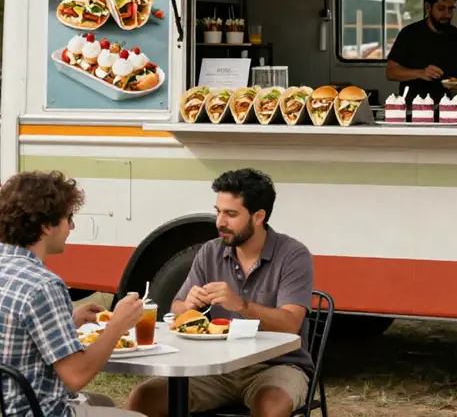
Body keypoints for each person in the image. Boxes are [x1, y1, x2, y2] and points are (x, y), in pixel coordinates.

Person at [128, 169, 313, 417]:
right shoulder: (210, 252)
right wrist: (188, 306)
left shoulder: (293, 255)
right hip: (216, 366)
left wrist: (241, 305)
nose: (220, 222)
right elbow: (177, 309)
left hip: (276, 365)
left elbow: (290, 324)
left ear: (258, 217)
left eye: (231, 214)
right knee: (144, 398)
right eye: (218, 212)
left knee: (270, 406)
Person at [0, 170, 145, 417]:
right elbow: (76, 376)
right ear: (46, 226)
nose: (72, 227)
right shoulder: (43, 285)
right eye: (69, 218)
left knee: (103, 402)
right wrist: (116, 326)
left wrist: (68, 320)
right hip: (34, 412)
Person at [386, 0, 457, 102]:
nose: (447, 14)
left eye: (451, 9)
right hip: (413, 107)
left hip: (447, 107)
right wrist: (421, 73)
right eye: (441, 9)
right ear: (428, 7)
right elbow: (391, 72)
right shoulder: (409, 34)